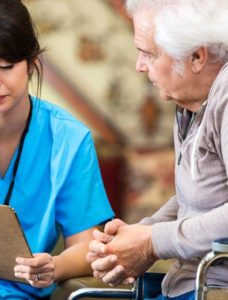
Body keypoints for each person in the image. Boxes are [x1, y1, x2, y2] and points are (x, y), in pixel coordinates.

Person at [0, 0, 114, 299]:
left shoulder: (69, 139)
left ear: (31, 63)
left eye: (5, 66)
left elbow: (87, 245)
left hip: (22, 292)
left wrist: (54, 266)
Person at [87, 0, 228, 299]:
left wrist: (152, 241)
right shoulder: (190, 104)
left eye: (149, 53)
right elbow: (202, 198)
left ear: (196, 57)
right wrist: (137, 235)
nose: (139, 66)